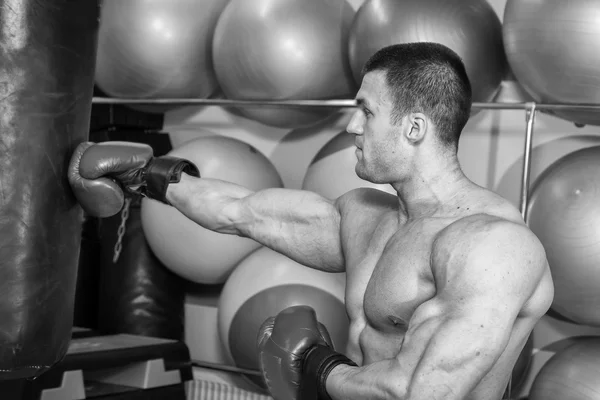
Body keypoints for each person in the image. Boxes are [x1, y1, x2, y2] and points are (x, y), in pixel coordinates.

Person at [69, 42, 554, 400]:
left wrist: (316, 364)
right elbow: (240, 212)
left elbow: (421, 393)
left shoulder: (492, 246)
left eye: (366, 111)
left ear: (414, 127)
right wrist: (146, 175)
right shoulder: (366, 217)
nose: (351, 127)